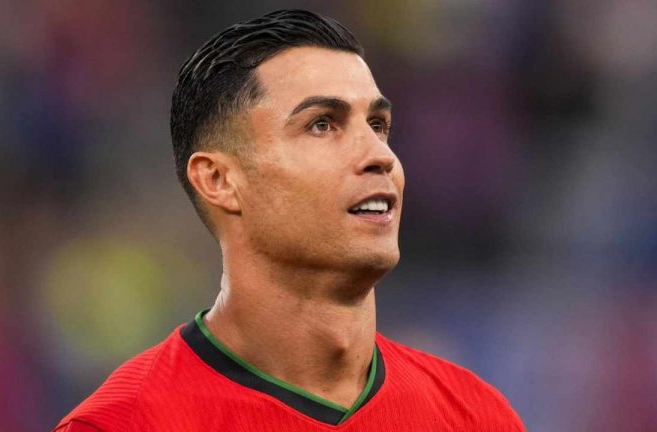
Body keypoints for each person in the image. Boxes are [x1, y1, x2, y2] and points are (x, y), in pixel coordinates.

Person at [55, 9, 524, 431]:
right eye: (322, 124)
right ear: (219, 180)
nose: (380, 155)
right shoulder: (123, 423)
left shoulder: (476, 416)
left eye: (378, 125)